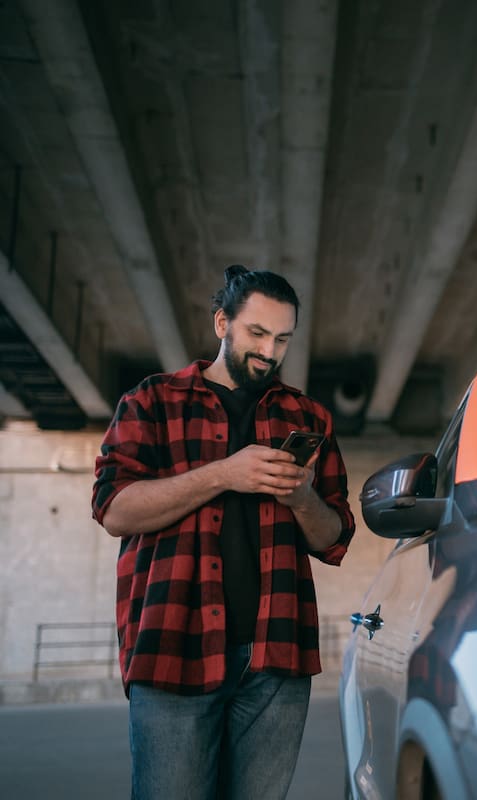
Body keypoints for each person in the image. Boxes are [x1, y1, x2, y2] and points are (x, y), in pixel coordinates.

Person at [92, 265, 355, 800]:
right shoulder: (151, 402)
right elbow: (115, 509)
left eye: (282, 339)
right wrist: (223, 474)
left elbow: (333, 538)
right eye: (257, 333)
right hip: (174, 647)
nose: (269, 351)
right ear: (222, 323)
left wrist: (300, 497)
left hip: (277, 659)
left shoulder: (308, 416)